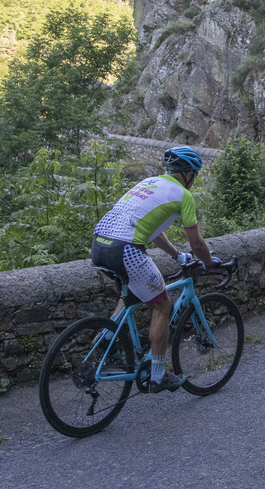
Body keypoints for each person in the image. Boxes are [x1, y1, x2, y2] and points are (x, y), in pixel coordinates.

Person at [91, 147, 215, 393]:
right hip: (126, 249)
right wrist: (210, 264)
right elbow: (198, 243)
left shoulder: (149, 183)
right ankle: (157, 375)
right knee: (163, 306)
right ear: (188, 173)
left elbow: (154, 229)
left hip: (99, 244)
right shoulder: (183, 195)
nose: (195, 179)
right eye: (196, 174)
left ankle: (106, 340)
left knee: (131, 293)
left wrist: (177, 255)